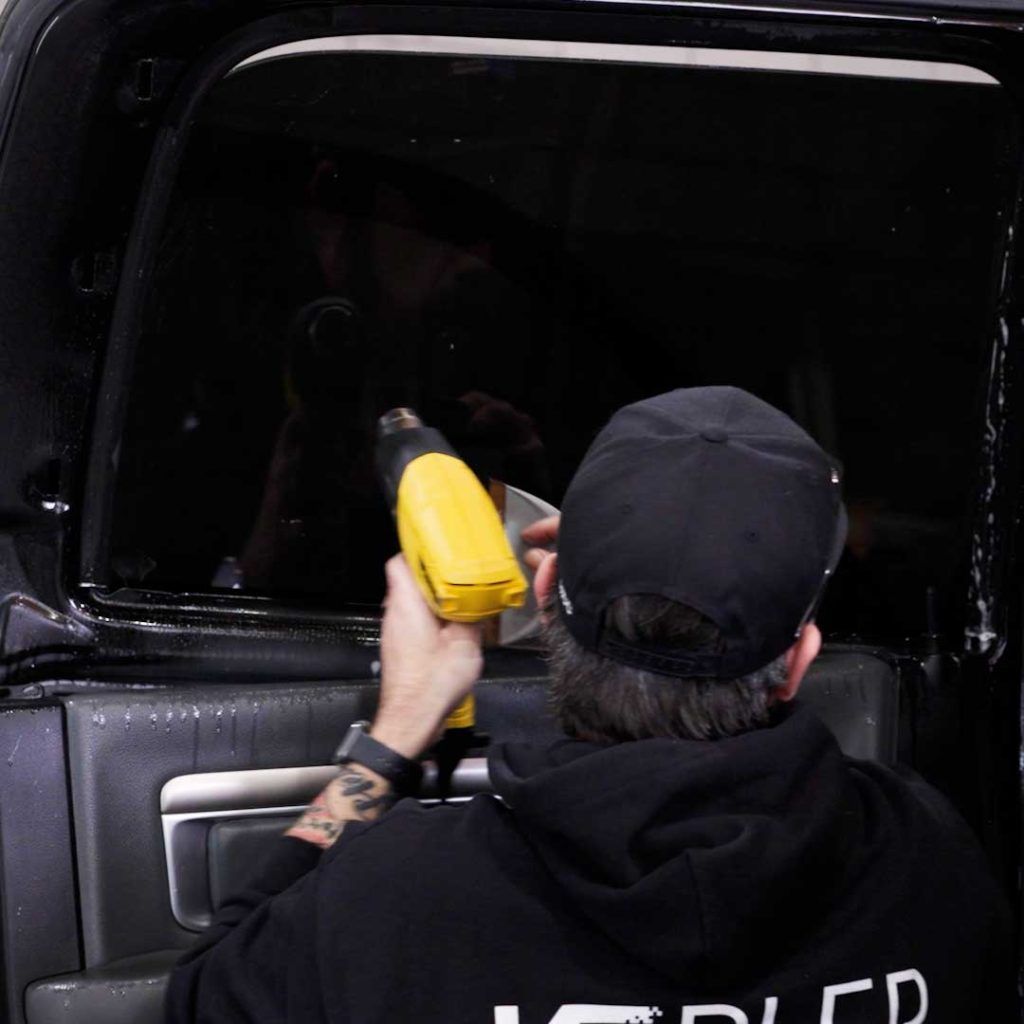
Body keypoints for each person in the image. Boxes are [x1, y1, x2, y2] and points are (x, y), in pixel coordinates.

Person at [166, 386, 1013, 1024]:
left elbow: (203, 997)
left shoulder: (398, 900)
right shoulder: (926, 862)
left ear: (541, 587)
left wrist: (391, 742)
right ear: (797, 662)